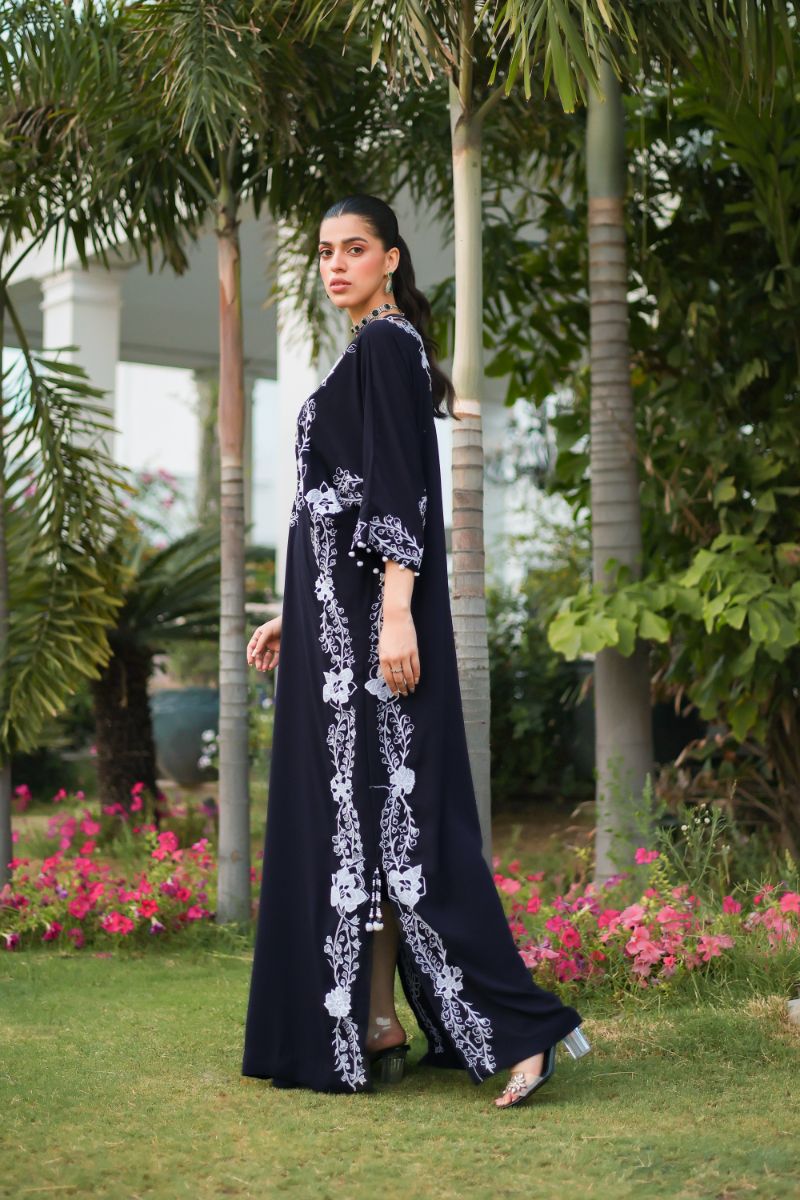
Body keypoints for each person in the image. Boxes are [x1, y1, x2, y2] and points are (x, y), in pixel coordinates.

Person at [241, 194, 591, 1108]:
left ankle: (522, 1031)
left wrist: (395, 613)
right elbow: (336, 510)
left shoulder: (388, 346)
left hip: (371, 638)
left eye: (354, 249)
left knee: (409, 830)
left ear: (391, 258)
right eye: (325, 251)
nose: (335, 265)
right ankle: (374, 1019)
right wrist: (296, 616)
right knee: (364, 828)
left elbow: (400, 491)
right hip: (335, 634)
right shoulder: (369, 351)